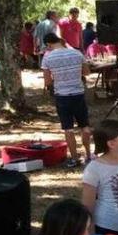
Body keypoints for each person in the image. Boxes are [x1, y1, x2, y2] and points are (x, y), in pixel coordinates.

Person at [40, 33, 92, 167]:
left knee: (68, 129)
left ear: (48, 44)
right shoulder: (77, 53)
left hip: (62, 95)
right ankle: (89, 155)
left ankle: (74, 158)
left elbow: (47, 81)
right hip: (78, 93)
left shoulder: (48, 58)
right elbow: (86, 72)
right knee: (84, 126)